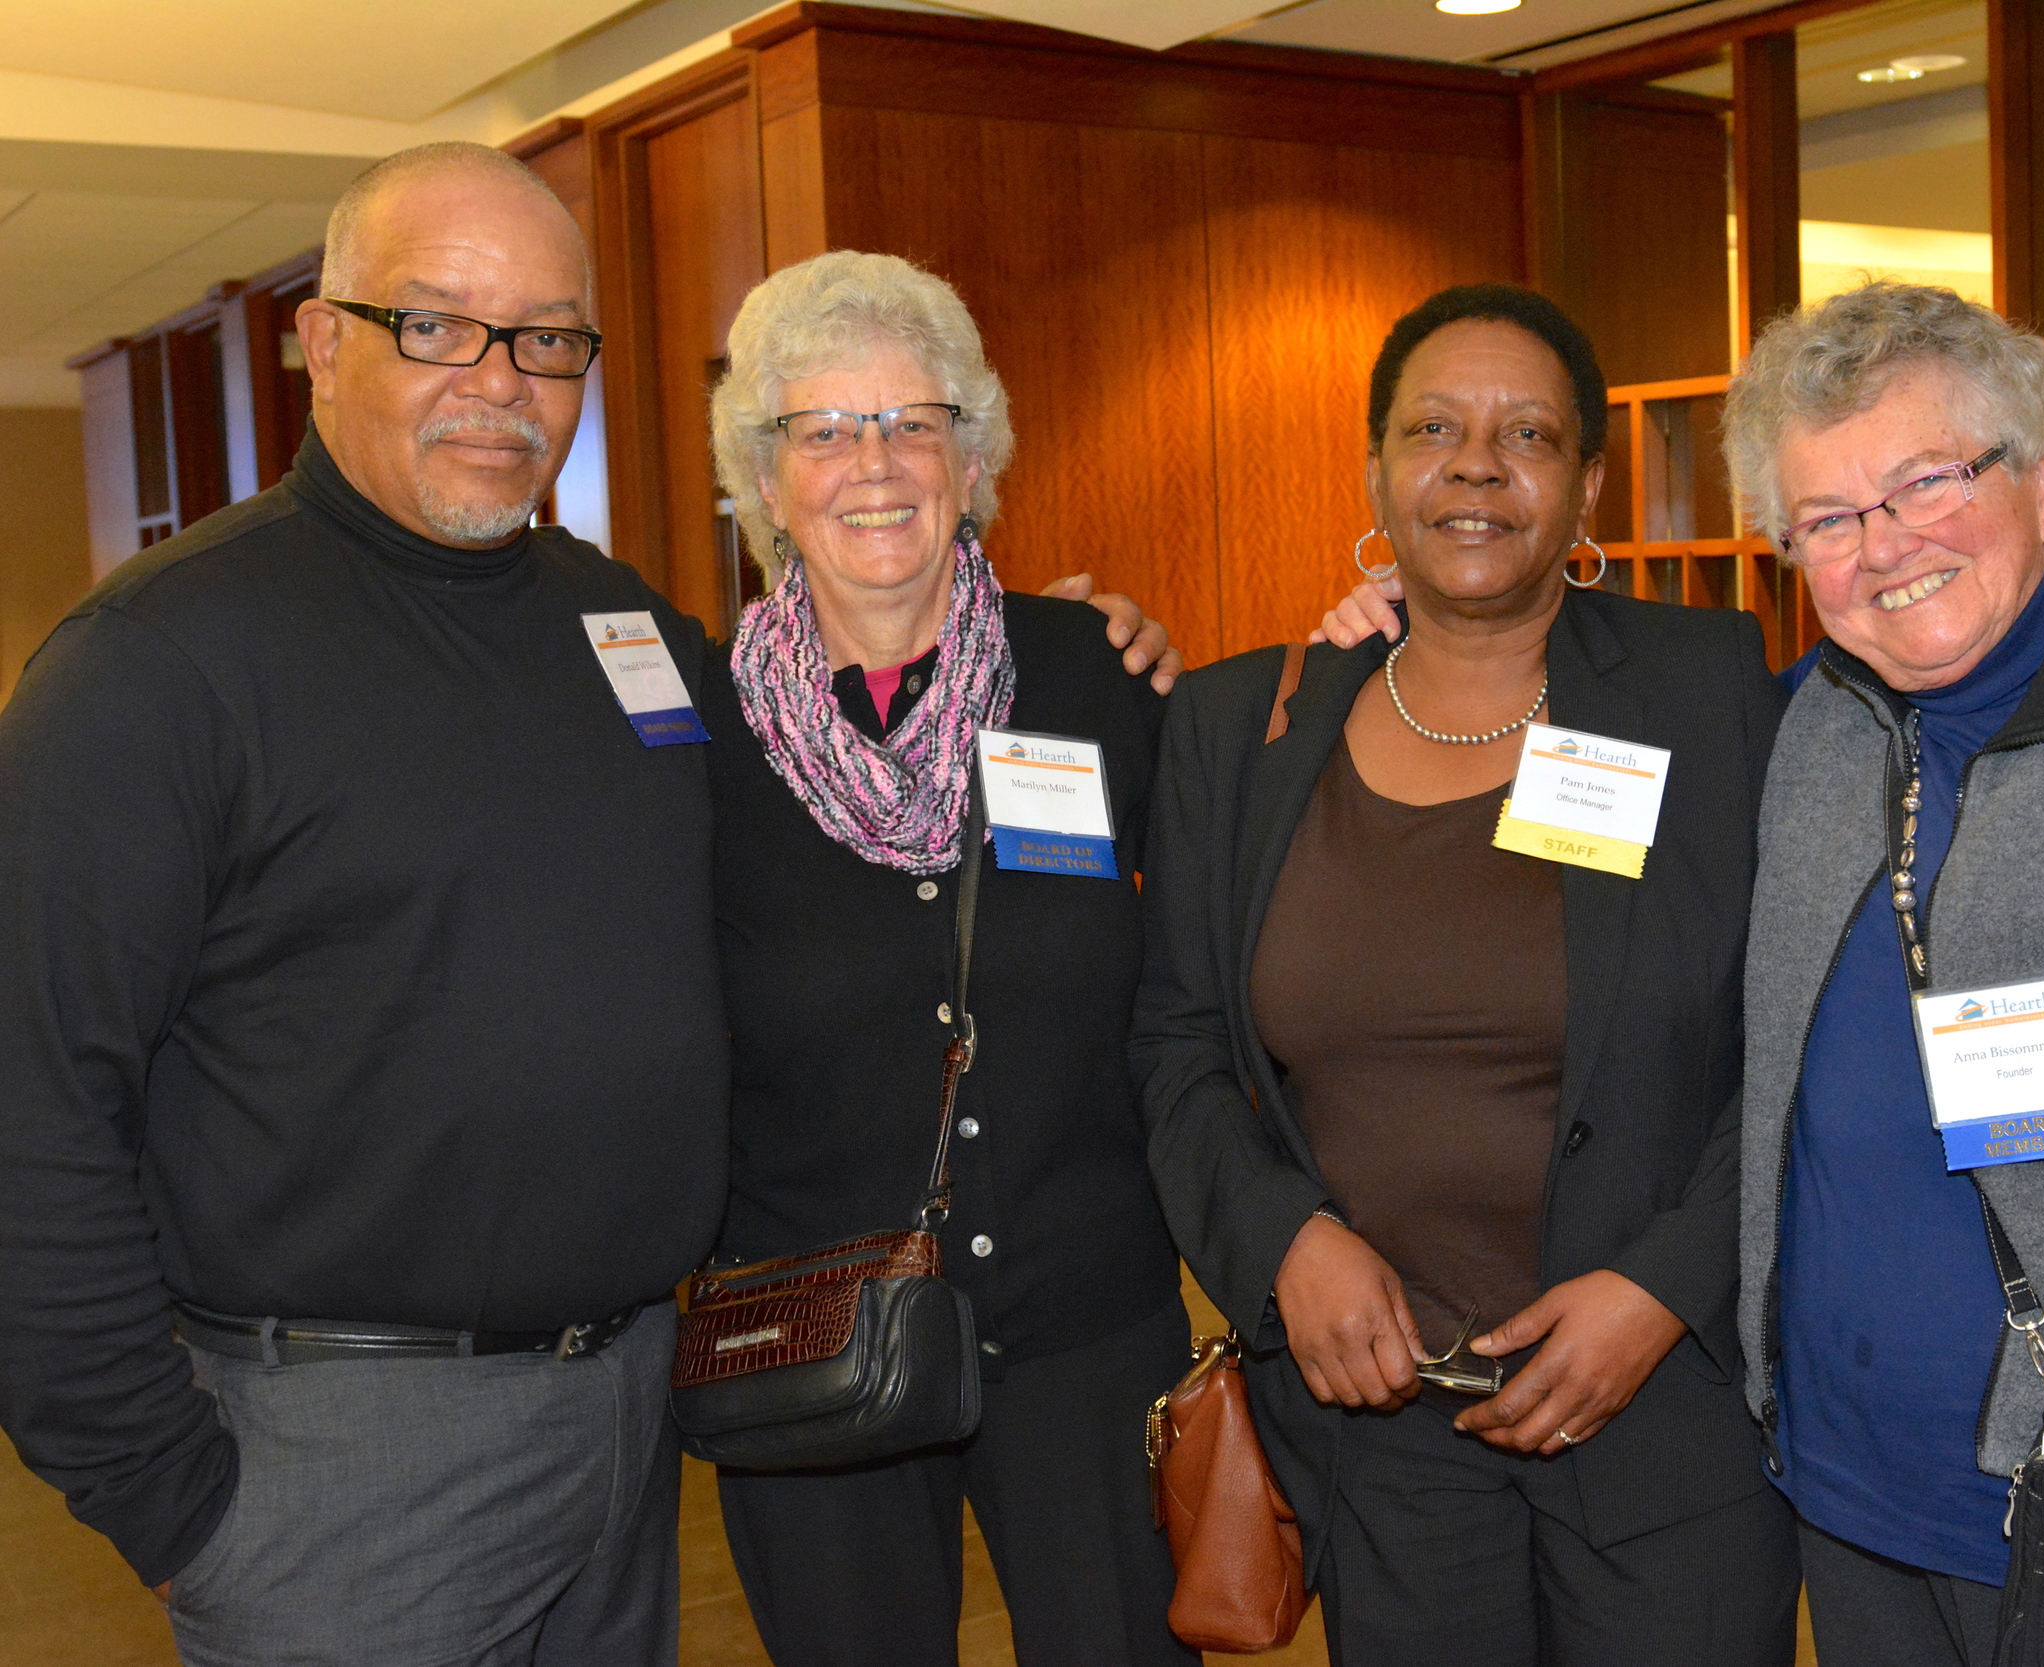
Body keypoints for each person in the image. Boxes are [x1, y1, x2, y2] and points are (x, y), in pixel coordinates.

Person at [0, 143, 1175, 1667]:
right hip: (349, 1444)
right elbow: (36, 1106)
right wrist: (161, 1492)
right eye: (435, 323)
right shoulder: (160, 663)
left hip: (632, 1412)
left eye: (547, 338)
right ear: (324, 342)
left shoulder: (623, 635)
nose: (499, 379)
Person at [1321, 278, 2044, 1666]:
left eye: (1927, 483)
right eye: (1829, 519)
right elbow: (1549, 728)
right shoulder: (1809, 726)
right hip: (1849, 1512)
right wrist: (1396, 630)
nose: (1885, 549)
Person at [1133, 283, 1799, 1667]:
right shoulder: (1238, 732)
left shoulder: (1709, 692)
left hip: (1664, 1423)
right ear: (1377, 469)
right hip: (1385, 1444)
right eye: (1434, 428)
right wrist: (1281, 1249)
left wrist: (1664, 1290)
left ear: (1588, 484)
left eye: (1529, 436)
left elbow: (1796, 1036)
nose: (1477, 465)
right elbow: (1178, 1047)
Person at [698, 250, 1197, 1667]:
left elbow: (1217, 940)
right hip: (812, 1333)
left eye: (915, 422)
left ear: (973, 461)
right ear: (766, 474)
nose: (875, 462)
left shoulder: (1099, 675)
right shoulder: (695, 737)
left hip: (1090, 1331)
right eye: (825, 428)